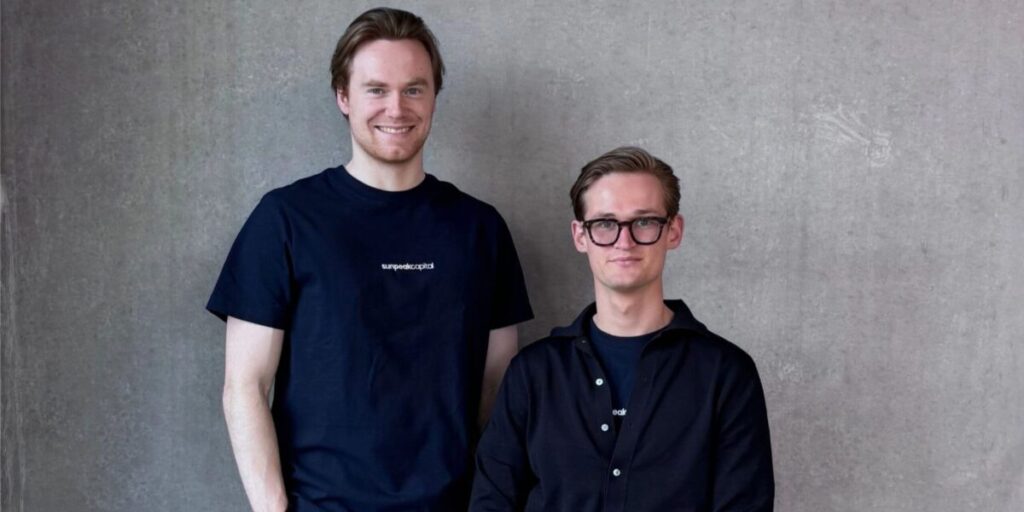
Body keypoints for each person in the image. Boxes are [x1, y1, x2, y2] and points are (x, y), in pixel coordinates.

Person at [207, 8, 533, 511]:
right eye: (376, 89)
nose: (396, 108)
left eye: (414, 89)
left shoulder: (480, 229)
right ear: (343, 96)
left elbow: (498, 389)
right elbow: (245, 387)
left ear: (434, 97)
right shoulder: (286, 219)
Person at [470, 147, 774, 511]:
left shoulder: (725, 373)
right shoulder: (534, 372)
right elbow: (492, 501)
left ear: (673, 231)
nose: (624, 241)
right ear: (580, 236)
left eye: (644, 222)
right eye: (605, 223)